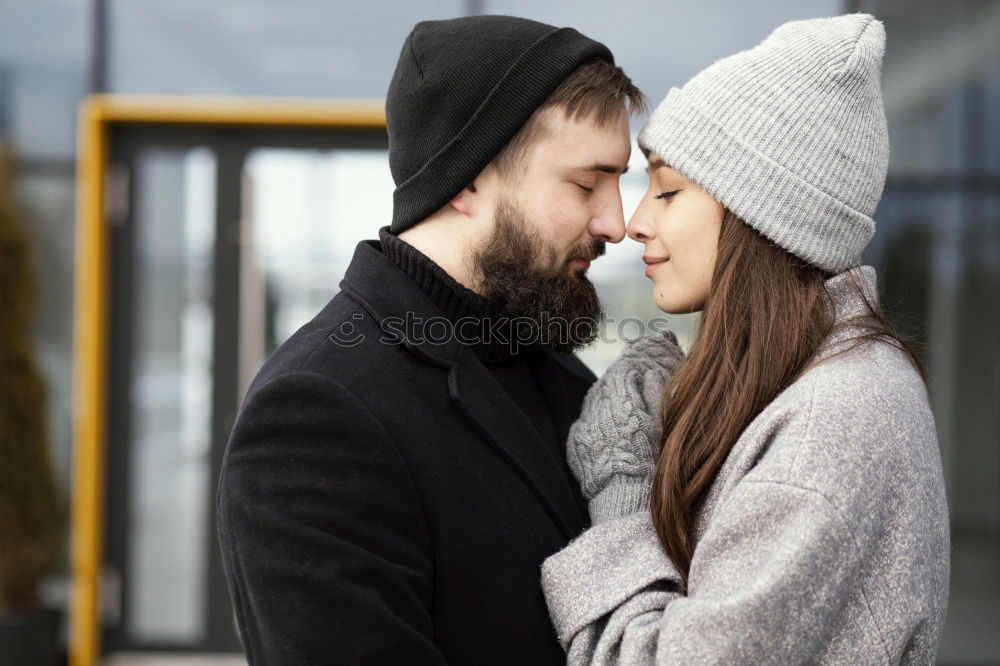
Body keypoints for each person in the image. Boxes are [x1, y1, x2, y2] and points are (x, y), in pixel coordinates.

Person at [216, 14, 645, 665]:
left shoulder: (557, 370)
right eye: (586, 184)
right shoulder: (315, 414)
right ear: (469, 178)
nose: (615, 222)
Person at [541, 14, 950, 664]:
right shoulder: (810, 383)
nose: (636, 223)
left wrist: (623, 483)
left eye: (669, 191)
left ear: (763, 217)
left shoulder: (832, 427)